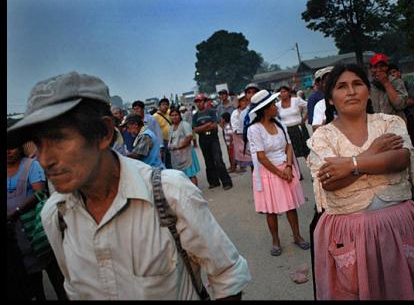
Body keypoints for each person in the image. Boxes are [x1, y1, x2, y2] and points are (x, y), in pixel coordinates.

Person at [7, 71, 250, 300]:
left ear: (104, 133)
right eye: (38, 143)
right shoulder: (56, 215)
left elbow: (227, 276)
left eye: (59, 138)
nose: (45, 159)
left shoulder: (170, 193)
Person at [306, 64, 414, 300]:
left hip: (400, 227)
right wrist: (373, 152)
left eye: (357, 84)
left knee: (409, 289)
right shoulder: (322, 135)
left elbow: (399, 158)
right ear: (330, 100)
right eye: (341, 87)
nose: (351, 91)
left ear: (367, 91)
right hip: (348, 233)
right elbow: (330, 181)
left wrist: (349, 165)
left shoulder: (389, 122)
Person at [245, 89, 310, 257]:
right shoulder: (254, 129)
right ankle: (275, 240)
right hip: (268, 172)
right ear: (265, 108)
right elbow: (261, 157)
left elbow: (288, 146)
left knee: (291, 206)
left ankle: (297, 236)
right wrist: (280, 173)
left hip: (284, 167)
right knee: (271, 209)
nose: (276, 106)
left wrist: (288, 166)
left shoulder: (279, 124)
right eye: (273, 104)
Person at [7, 144, 67, 300]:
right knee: (31, 280)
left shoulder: (30, 165)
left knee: (55, 273)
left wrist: (18, 211)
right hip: (15, 234)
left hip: (37, 229)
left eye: (11, 147)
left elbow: (39, 190)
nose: (9, 151)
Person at [192, 93, 233, 190]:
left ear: (204, 102)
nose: (199, 103)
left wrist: (201, 127)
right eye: (197, 102)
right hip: (203, 139)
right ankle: (214, 182)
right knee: (208, 161)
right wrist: (207, 125)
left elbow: (215, 125)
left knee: (218, 160)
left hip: (213, 138)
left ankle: (226, 182)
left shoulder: (211, 112)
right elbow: (195, 129)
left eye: (200, 101)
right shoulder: (195, 116)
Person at [369, 53, 408, 121]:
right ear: (371, 69)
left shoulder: (396, 82)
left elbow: (400, 105)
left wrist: (386, 83)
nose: (379, 69)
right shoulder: (368, 86)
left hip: (395, 126)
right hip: (377, 127)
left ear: (387, 68)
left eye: (382, 66)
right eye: (375, 67)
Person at [167, 107, 201, 186]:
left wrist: (178, 146)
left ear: (179, 115)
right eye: (172, 115)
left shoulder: (184, 124)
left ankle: (195, 192)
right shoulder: (171, 127)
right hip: (177, 156)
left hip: (186, 154)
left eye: (176, 115)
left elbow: (189, 137)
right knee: (182, 176)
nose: (174, 117)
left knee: (191, 174)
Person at [276, 85, 310, 160]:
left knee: (306, 151)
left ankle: (313, 170)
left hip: (299, 128)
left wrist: (304, 119)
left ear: (288, 92)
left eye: (284, 91)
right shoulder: (277, 105)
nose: (283, 93)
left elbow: (308, 106)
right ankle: (297, 171)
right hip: (287, 131)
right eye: (281, 92)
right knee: (291, 153)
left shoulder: (296, 100)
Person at [216, 89, 236, 172]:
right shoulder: (219, 108)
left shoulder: (233, 106)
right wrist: (222, 126)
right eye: (220, 95)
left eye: (224, 94)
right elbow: (219, 120)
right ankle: (232, 165)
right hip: (226, 130)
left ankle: (240, 164)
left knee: (237, 147)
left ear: (227, 95)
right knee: (229, 148)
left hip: (234, 129)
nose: (222, 96)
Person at [230, 92, 251, 173]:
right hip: (241, 139)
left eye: (246, 100)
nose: (244, 102)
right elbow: (235, 128)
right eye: (242, 101)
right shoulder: (235, 113)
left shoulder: (251, 110)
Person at [311, 66, 335, 131]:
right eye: (325, 81)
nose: (329, 83)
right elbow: (315, 127)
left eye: (332, 80)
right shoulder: (320, 105)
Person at [153, 98, 173, 168]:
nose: (165, 106)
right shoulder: (155, 116)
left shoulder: (170, 112)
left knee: (172, 157)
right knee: (164, 157)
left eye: (167, 104)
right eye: (163, 105)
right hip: (162, 140)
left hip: (172, 138)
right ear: (159, 106)